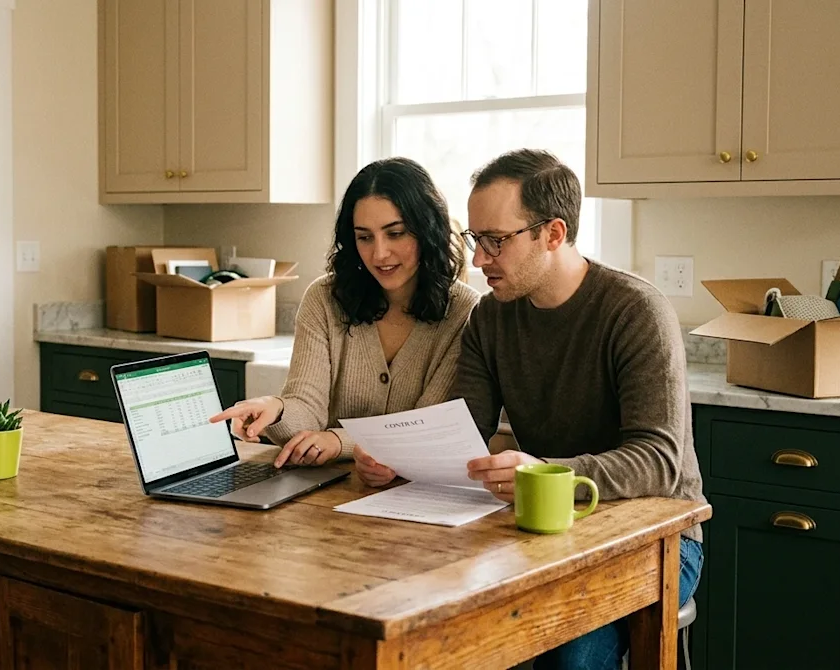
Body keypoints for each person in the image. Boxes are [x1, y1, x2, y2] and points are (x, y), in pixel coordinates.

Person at [354, 149, 705, 670]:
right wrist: (395, 459)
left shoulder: (636, 311)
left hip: (656, 537)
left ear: (553, 233)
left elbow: (660, 461)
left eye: (496, 241)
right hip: (540, 528)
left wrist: (546, 473)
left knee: (567, 654)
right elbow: (463, 432)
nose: (478, 260)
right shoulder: (490, 320)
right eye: (476, 240)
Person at [209, 157, 479, 467]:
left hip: (415, 490)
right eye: (364, 237)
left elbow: (425, 428)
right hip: (331, 490)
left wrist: (339, 441)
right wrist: (276, 408)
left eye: (396, 233)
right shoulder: (324, 299)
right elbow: (307, 405)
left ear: (427, 230)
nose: (379, 253)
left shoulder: (464, 312)